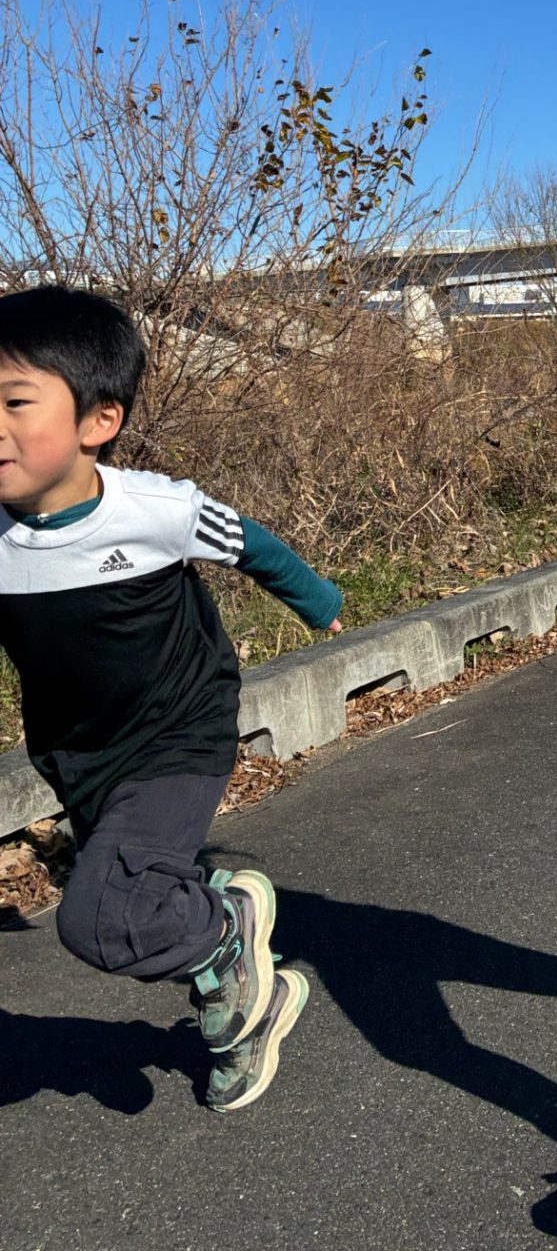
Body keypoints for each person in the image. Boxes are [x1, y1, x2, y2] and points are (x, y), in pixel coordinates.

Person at [0, 285, 342, 1112]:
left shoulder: (155, 509)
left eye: (13, 402)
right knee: (140, 897)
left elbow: (251, 545)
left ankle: (223, 933)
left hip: (179, 729)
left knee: (98, 917)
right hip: (79, 752)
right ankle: (243, 1004)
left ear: (98, 421)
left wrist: (321, 602)